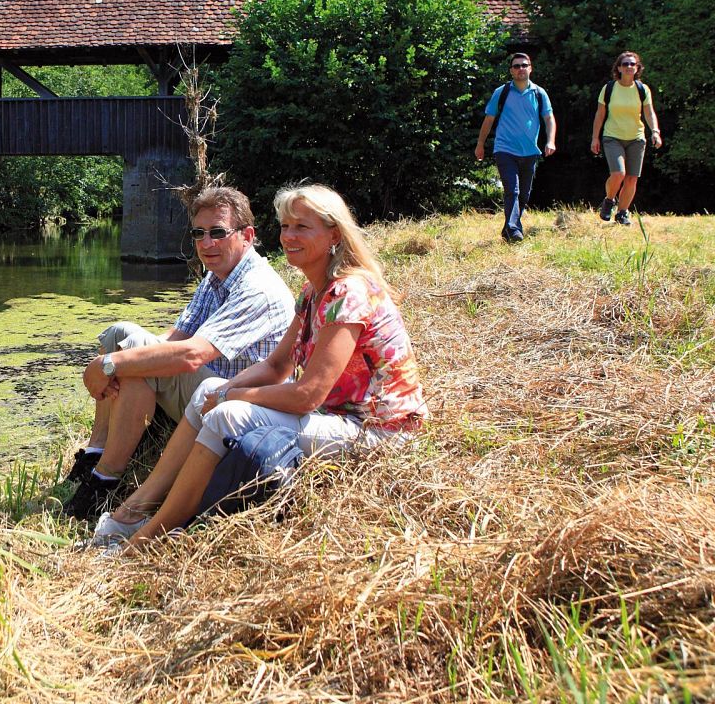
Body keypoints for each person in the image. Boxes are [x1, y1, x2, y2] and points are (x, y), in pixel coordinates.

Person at [86, 184, 428, 549]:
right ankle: (134, 511)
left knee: (226, 414)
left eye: (302, 227)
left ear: (334, 234)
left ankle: (143, 540)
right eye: (284, 226)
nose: (289, 236)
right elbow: (278, 365)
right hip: (340, 420)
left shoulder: (349, 293)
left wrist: (231, 395)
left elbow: (308, 395)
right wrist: (218, 392)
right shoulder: (315, 292)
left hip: (379, 433)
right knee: (207, 392)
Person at [62, 186, 295, 520]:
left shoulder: (258, 288)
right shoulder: (216, 275)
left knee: (133, 358)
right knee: (121, 333)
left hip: (233, 403)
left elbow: (193, 355)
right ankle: (95, 454)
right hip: (205, 387)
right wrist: (125, 352)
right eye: (199, 233)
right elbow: (176, 335)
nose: (206, 243)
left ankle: (103, 483)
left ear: (247, 235)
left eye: (218, 232)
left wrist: (110, 364)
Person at [474, 53, 557, 242]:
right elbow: (489, 119)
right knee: (513, 189)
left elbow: (549, 118)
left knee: (524, 194)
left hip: (529, 151)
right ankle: (514, 229)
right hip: (505, 149)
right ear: (511, 71)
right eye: (516, 66)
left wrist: (550, 140)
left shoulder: (539, 93)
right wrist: (480, 144)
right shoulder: (501, 92)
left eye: (524, 65)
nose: (520, 69)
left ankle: (508, 229)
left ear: (530, 68)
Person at [591, 51, 663, 226]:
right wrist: (595, 138)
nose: (629, 67)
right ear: (619, 68)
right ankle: (609, 201)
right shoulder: (609, 88)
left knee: (631, 178)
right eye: (625, 64)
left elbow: (649, 112)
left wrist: (655, 131)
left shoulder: (642, 89)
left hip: (636, 138)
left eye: (632, 64)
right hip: (612, 136)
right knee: (618, 173)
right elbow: (600, 115)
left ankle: (622, 213)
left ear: (637, 68)